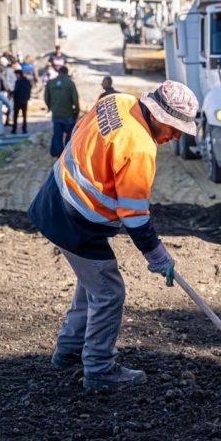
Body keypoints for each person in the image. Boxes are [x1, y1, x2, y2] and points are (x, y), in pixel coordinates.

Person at [27, 80, 199, 390]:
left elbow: (81, 129)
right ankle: (99, 369)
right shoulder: (140, 147)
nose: (174, 137)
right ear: (158, 115)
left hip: (53, 196)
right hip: (74, 219)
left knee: (92, 282)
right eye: (174, 128)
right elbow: (133, 216)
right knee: (109, 292)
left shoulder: (116, 101)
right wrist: (157, 256)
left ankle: (69, 349)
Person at [43, 66, 79, 157]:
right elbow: (75, 99)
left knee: (57, 134)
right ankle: (67, 154)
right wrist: (76, 111)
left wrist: (50, 107)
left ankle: (59, 155)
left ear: (59, 73)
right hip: (68, 113)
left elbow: (46, 98)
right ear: (67, 73)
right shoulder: (70, 83)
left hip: (56, 113)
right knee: (69, 135)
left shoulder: (50, 83)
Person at [0, 59, 14, 125]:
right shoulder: (1, 76)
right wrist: (10, 91)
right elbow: (5, 86)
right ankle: (7, 121)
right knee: (10, 107)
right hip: (1, 93)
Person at [11, 69, 32, 134]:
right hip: (24, 100)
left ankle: (14, 129)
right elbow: (29, 90)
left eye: (16, 74)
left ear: (18, 74)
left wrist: (12, 93)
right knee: (24, 116)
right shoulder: (27, 81)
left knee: (15, 116)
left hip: (18, 100)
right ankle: (24, 129)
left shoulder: (18, 81)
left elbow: (16, 90)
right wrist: (28, 98)